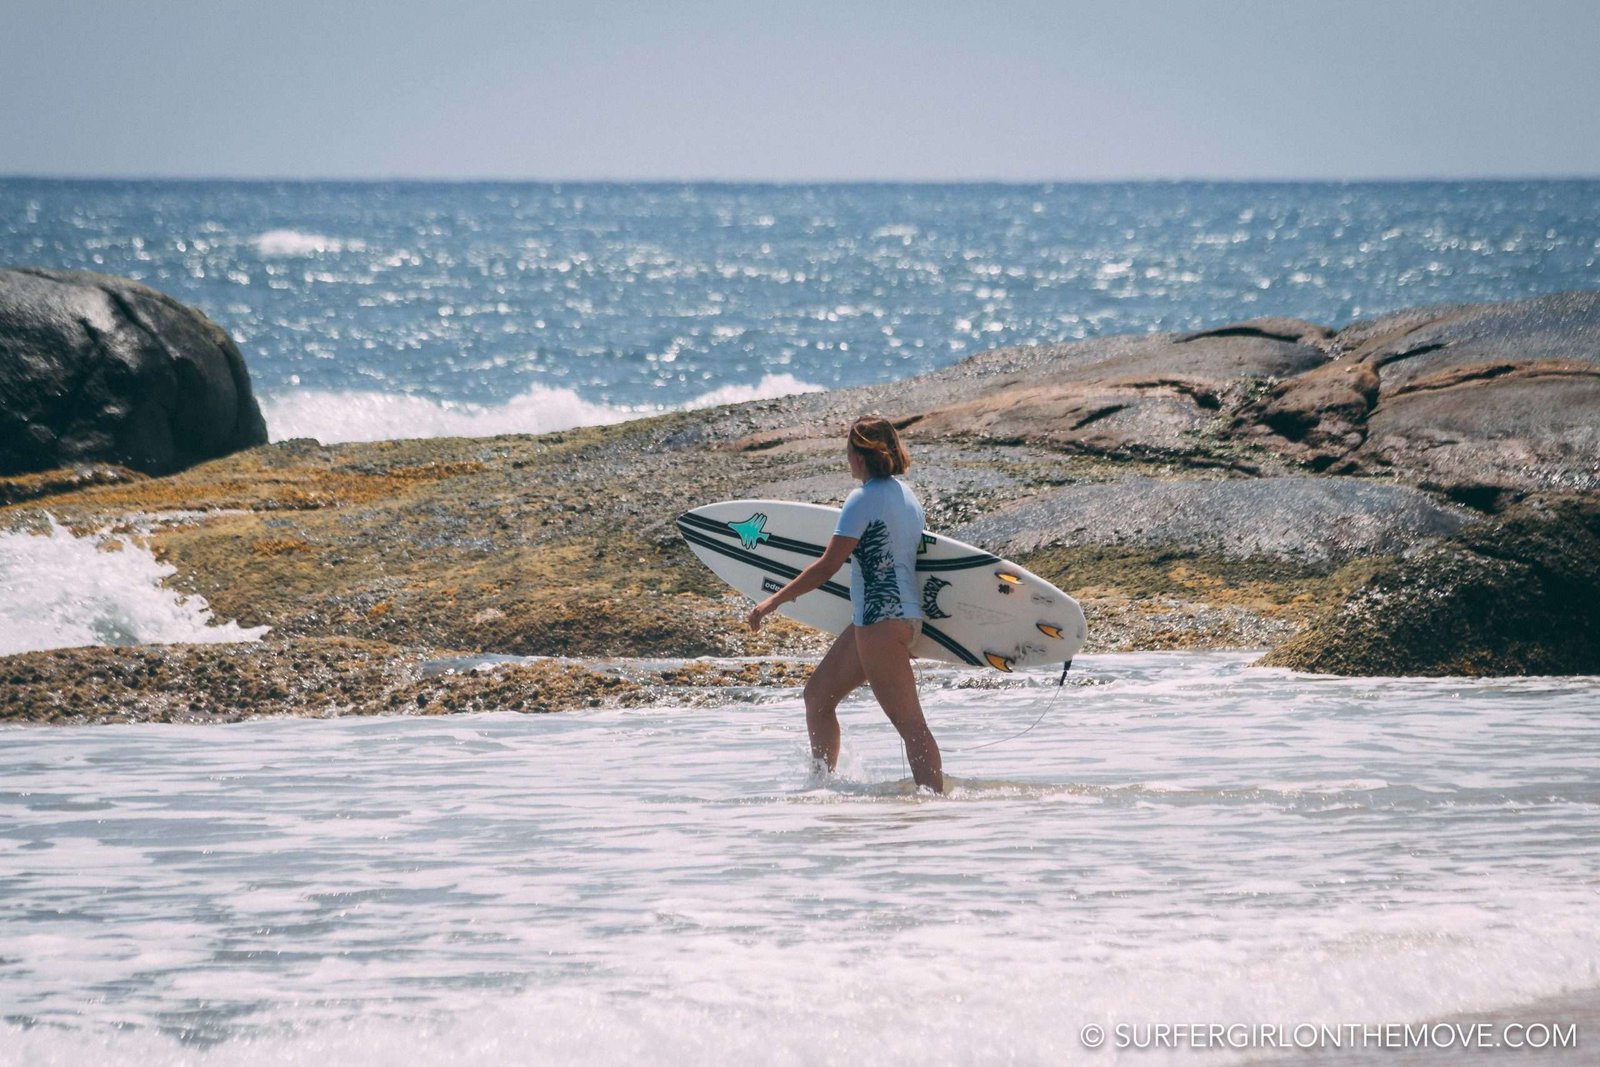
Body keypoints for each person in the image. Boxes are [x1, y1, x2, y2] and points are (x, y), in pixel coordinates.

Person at [747, 417, 944, 793]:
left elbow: (827, 566)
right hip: (893, 618)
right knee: (818, 696)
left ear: (862, 453)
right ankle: (823, 786)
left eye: (849, 450)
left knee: (910, 724)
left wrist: (772, 601)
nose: (847, 458)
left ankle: (934, 806)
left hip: (879, 623)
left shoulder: (862, 499)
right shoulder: (906, 497)